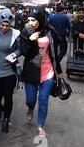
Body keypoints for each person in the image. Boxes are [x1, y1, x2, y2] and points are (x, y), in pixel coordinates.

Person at [20, 8, 63, 138]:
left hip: (47, 72)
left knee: (43, 100)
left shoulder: (50, 31)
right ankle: (30, 108)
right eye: (29, 20)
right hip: (31, 72)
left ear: (40, 20)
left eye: (34, 20)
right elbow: (22, 51)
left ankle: (40, 126)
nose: (31, 22)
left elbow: (57, 50)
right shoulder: (26, 31)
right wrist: (29, 40)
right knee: (30, 100)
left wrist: (59, 71)